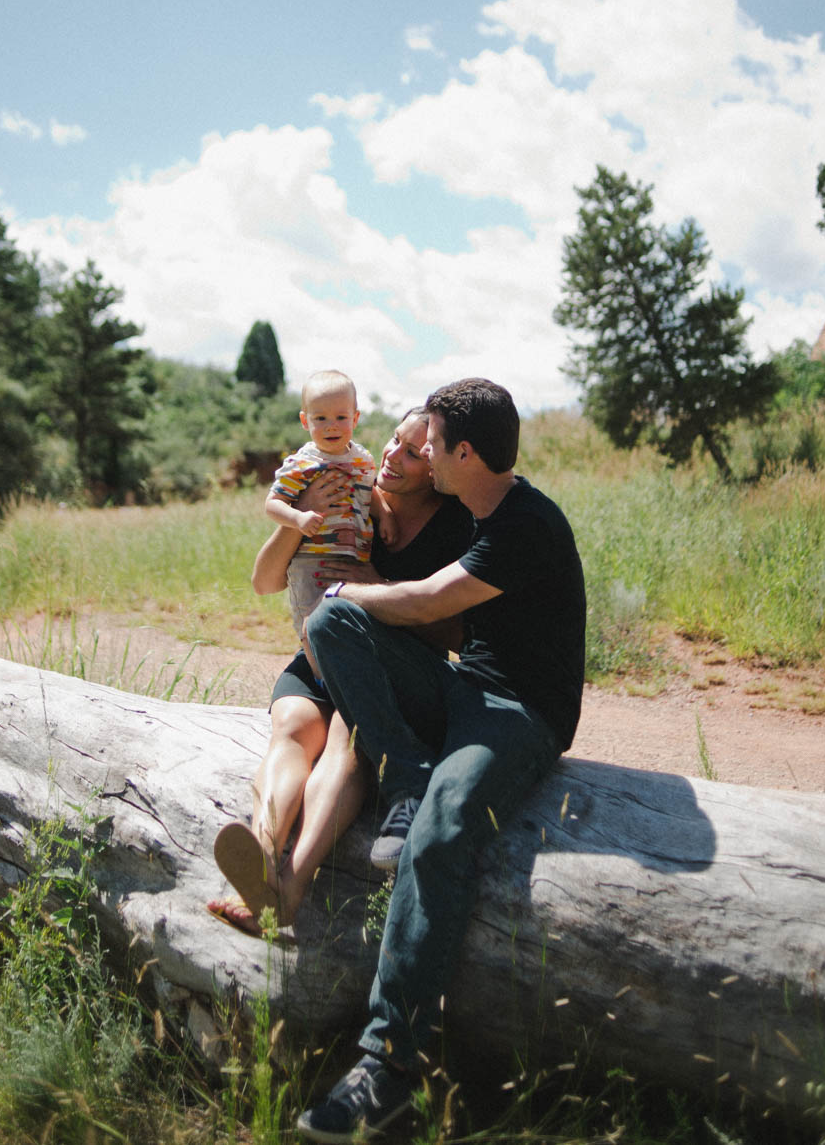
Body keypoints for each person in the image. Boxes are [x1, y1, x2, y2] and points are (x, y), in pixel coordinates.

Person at [296, 377, 586, 1144]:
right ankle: (405, 770)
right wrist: (344, 605)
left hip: (521, 714)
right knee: (333, 629)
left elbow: (427, 603)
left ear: (463, 453)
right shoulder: (475, 509)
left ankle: (388, 1065)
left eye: (428, 442)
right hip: (467, 690)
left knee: (442, 830)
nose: (416, 451)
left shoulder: (527, 523)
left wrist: (353, 595)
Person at [207, 408, 471, 937]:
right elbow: (263, 582)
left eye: (415, 453)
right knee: (291, 729)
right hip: (315, 659)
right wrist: (301, 514)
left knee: (342, 743)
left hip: (379, 672)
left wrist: (377, 587)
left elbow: (456, 638)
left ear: (438, 465)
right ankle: (261, 851)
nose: (393, 456)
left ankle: (291, 885)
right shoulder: (345, 486)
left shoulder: (454, 526)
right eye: (394, 440)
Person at [264, 369, 380, 638]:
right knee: (311, 622)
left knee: (347, 620)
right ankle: (316, 673)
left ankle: (336, 669)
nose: (332, 426)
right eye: (321, 418)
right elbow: (272, 504)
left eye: (341, 417)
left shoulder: (362, 459)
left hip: (353, 554)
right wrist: (298, 518)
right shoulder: (301, 464)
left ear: (356, 418)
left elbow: (368, 493)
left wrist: (387, 517)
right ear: (305, 421)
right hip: (310, 560)